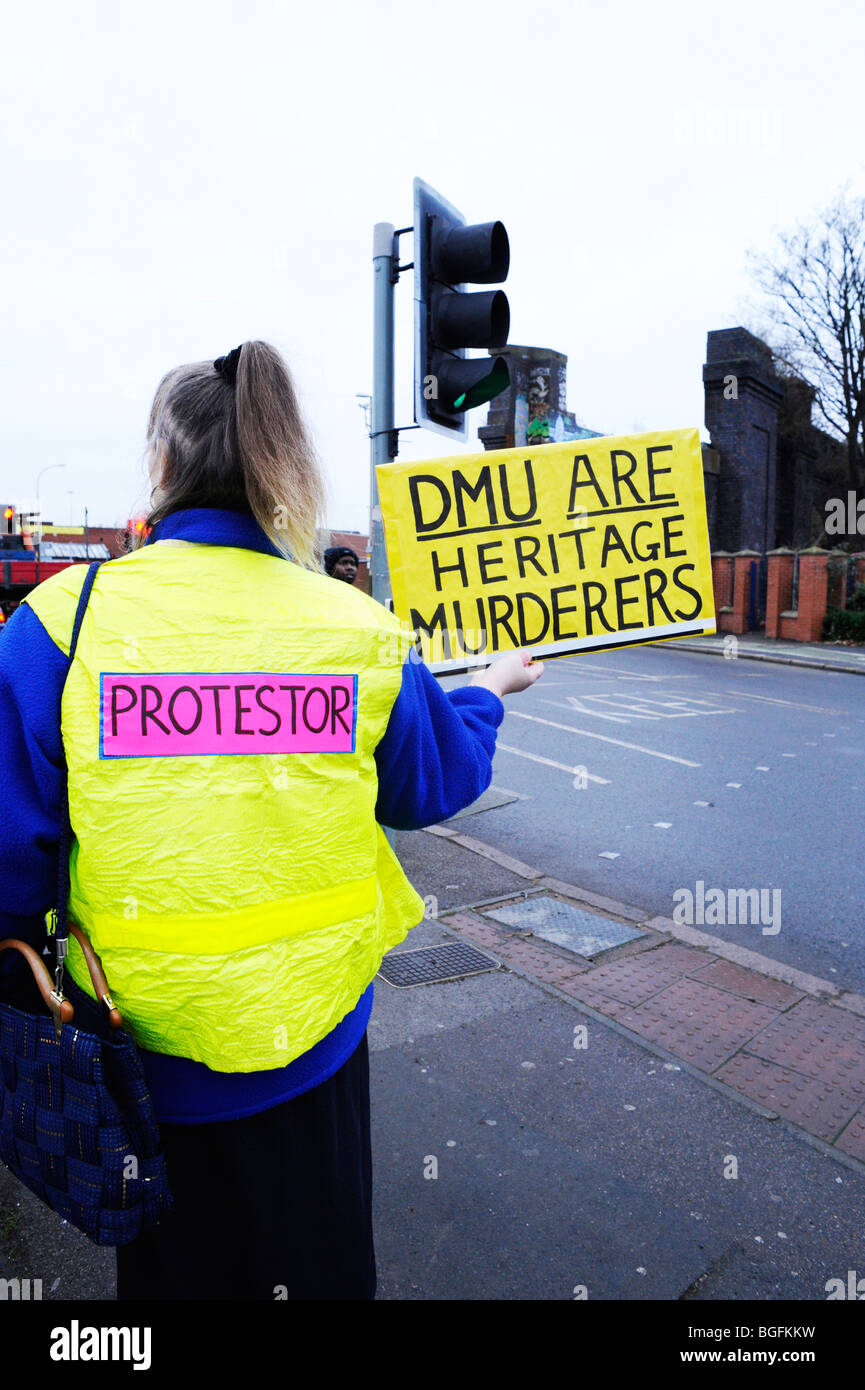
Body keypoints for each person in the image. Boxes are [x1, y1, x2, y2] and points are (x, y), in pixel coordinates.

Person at [0, 339, 543, 1301]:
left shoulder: (60, 624)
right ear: (282, 467)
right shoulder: (353, 628)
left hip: (139, 1068)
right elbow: (432, 784)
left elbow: (13, 863)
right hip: (315, 1055)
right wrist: (489, 689)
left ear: (162, 467)